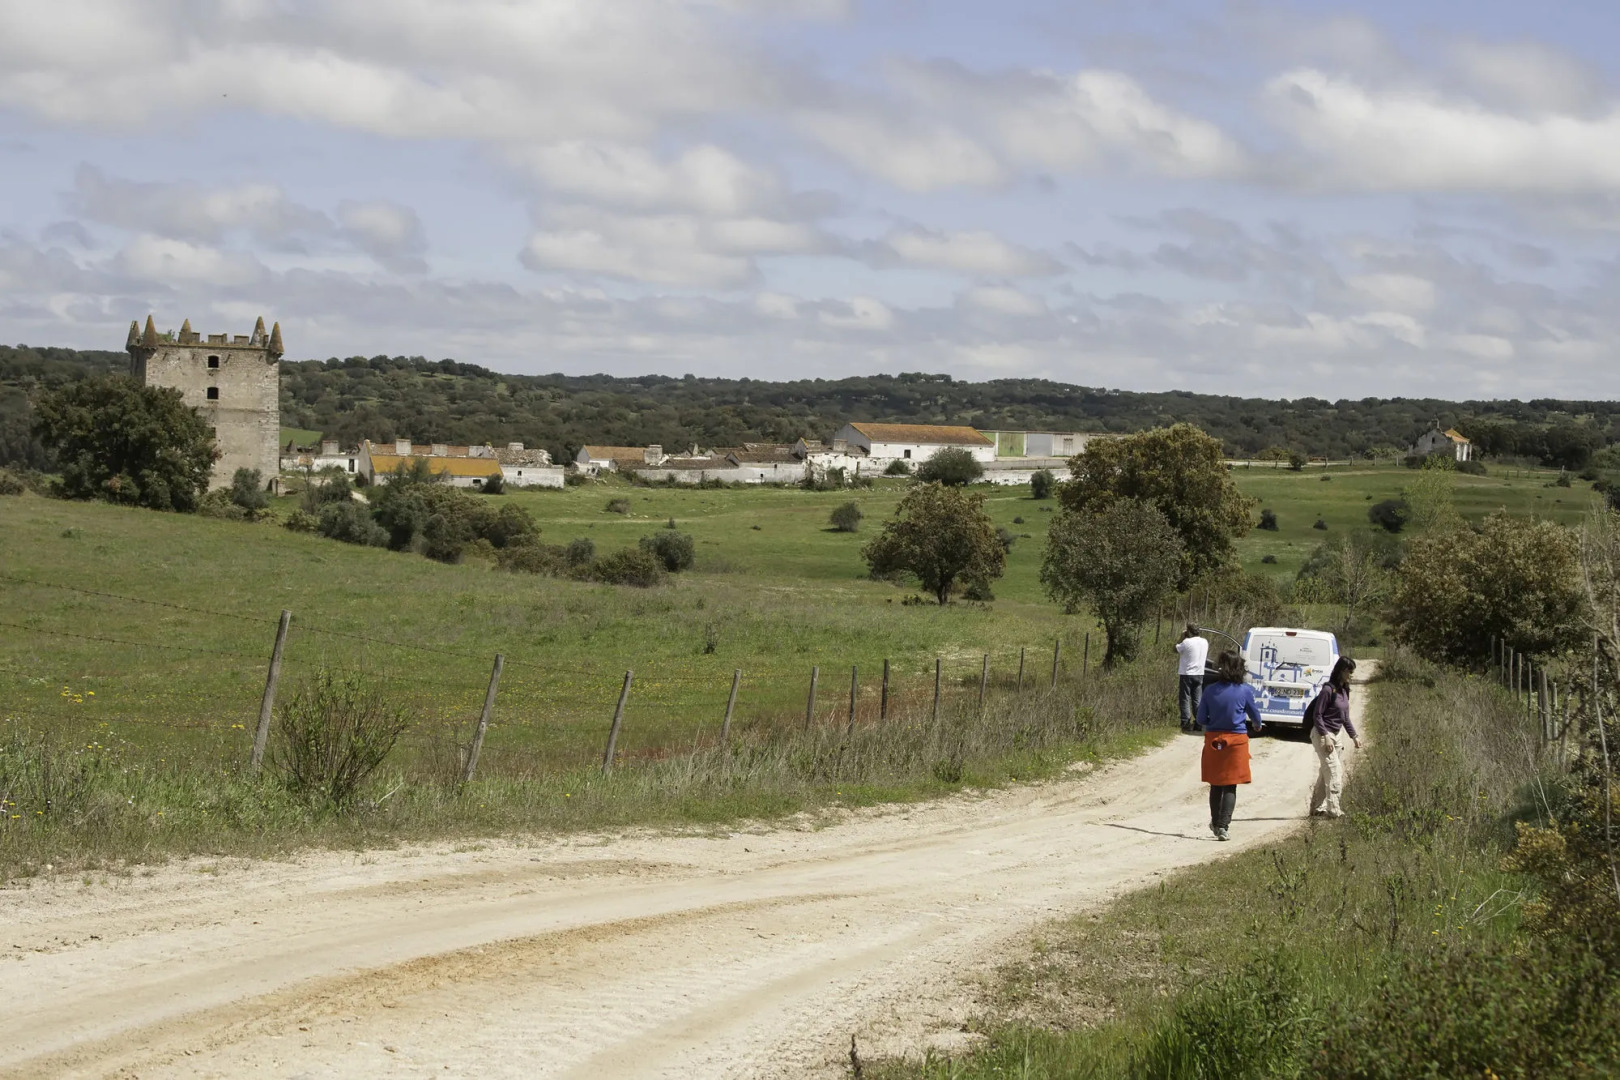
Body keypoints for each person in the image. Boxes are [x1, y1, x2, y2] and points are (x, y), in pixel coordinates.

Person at [1195, 648, 1261, 841]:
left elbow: (1200, 718)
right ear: (1240, 668)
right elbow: (1255, 716)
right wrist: (1256, 725)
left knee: (1216, 784)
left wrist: (1213, 720)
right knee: (1230, 784)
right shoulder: (1245, 691)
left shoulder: (1209, 690)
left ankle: (1216, 824)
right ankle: (1223, 826)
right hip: (1237, 742)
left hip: (1214, 740)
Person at [1307, 657, 1361, 818]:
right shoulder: (1328, 690)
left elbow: (1345, 717)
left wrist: (1354, 736)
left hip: (1337, 735)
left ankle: (1316, 808)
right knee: (1334, 770)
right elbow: (1317, 715)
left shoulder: (1344, 691)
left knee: (1326, 772)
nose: (1351, 675)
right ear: (1341, 671)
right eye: (1349, 671)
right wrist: (1326, 736)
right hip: (1323, 734)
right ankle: (1334, 810)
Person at [1175, 624, 1209, 732]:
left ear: (1189, 632)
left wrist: (1181, 637)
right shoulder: (1204, 642)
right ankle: (1198, 723)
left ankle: (1185, 722)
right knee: (1197, 699)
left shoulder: (1186, 642)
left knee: (1185, 698)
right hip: (1199, 673)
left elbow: (1175, 649)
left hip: (1187, 673)